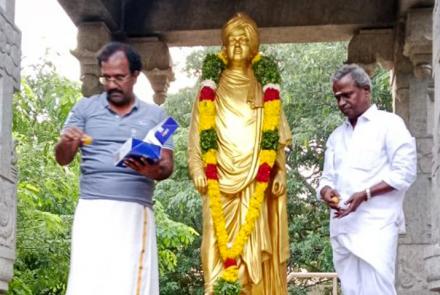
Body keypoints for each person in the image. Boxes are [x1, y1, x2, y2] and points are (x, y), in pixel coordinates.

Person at [55, 41, 174, 295]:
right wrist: (67, 143)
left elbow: (166, 165)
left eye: (119, 77)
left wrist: (153, 171)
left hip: (134, 211)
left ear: (135, 76)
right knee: (88, 284)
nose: (112, 84)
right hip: (92, 209)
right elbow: (62, 158)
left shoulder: (156, 116)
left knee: (131, 284)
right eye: (106, 77)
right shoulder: (84, 108)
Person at [188, 13, 291, 294]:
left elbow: (277, 141)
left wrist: (279, 171)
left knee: (253, 248)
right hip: (217, 180)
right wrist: (198, 169)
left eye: (244, 40)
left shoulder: (265, 88)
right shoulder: (209, 91)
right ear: (224, 44)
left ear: (254, 46)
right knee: (213, 242)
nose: (237, 44)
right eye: (232, 39)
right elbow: (196, 136)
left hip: (255, 179)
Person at [318, 64, 417, 295]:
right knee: (351, 290)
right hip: (342, 228)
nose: (342, 102)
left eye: (347, 95)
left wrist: (366, 194)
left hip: (376, 226)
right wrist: (326, 192)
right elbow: (326, 178)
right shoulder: (336, 136)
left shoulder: (389, 124)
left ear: (366, 90)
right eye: (337, 97)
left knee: (378, 290)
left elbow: (405, 172)